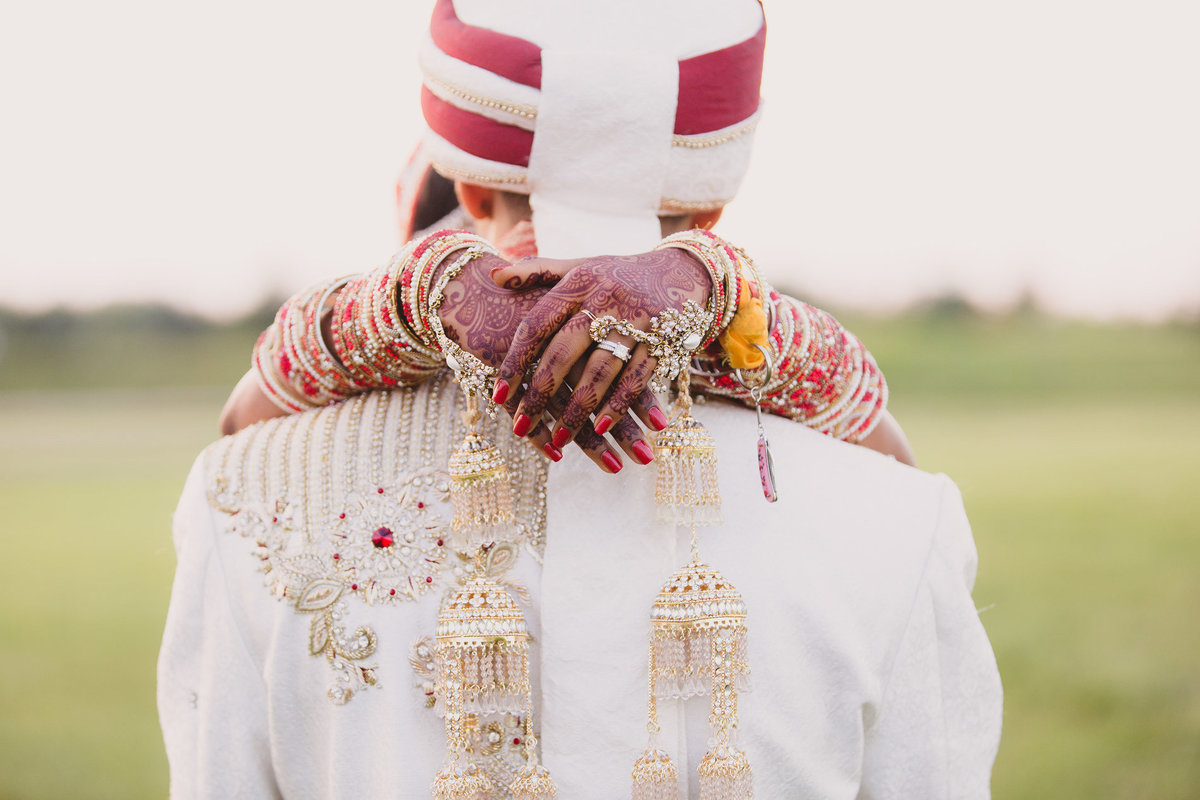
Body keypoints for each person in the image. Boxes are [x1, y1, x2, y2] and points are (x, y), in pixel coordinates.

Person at [158, 1, 1001, 797]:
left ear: (471, 191)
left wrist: (421, 291)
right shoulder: (899, 514)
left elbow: (244, 410)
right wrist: (722, 298)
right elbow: (884, 439)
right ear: (712, 203)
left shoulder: (241, 495)